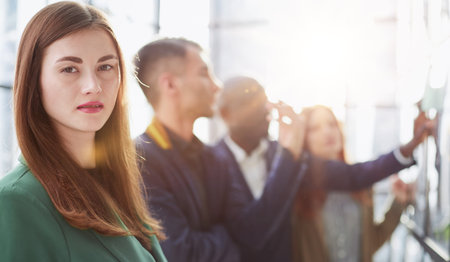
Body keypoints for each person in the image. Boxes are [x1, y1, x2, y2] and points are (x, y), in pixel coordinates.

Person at [0, 2, 166, 261]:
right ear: (35, 80)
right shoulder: (15, 202)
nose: (93, 86)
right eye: (69, 69)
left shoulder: (114, 184)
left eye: (105, 67)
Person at [213, 76, 431, 262]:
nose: (265, 112)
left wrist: (410, 147)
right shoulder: (212, 163)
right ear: (227, 114)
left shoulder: (289, 160)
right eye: (315, 128)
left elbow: (358, 178)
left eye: (265, 103)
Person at [133, 38, 307, 262]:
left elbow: (252, 235)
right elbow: (181, 254)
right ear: (170, 85)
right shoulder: (139, 159)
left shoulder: (214, 159)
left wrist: (288, 154)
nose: (217, 85)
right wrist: (228, 237)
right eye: (204, 73)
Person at [291, 105, 416, 262]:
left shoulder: (361, 183)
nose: (327, 132)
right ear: (303, 137)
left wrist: (397, 202)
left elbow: (371, 242)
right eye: (315, 128)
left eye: (332, 124)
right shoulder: (295, 187)